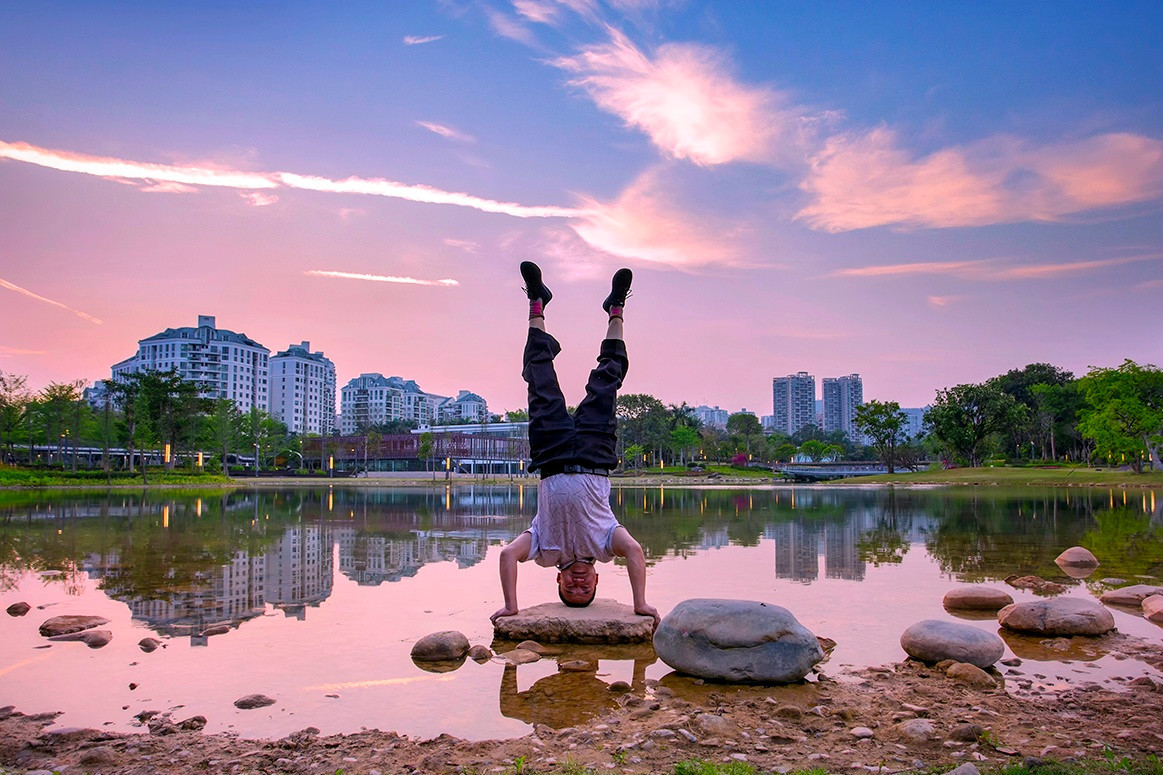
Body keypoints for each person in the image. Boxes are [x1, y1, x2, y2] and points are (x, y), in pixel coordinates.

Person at [490, 261, 660, 627]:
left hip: (550, 453)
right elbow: (634, 550)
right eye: (585, 589)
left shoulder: (542, 550)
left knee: (539, 379)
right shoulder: (606, 545)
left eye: (571, 590)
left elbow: (506, 555)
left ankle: (537, 302)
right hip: (594, 453)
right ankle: (616, 308)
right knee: (607, 380)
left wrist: (511, 607)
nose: (578, 584)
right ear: (597, 580)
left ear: (559, 582)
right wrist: (640, 604)